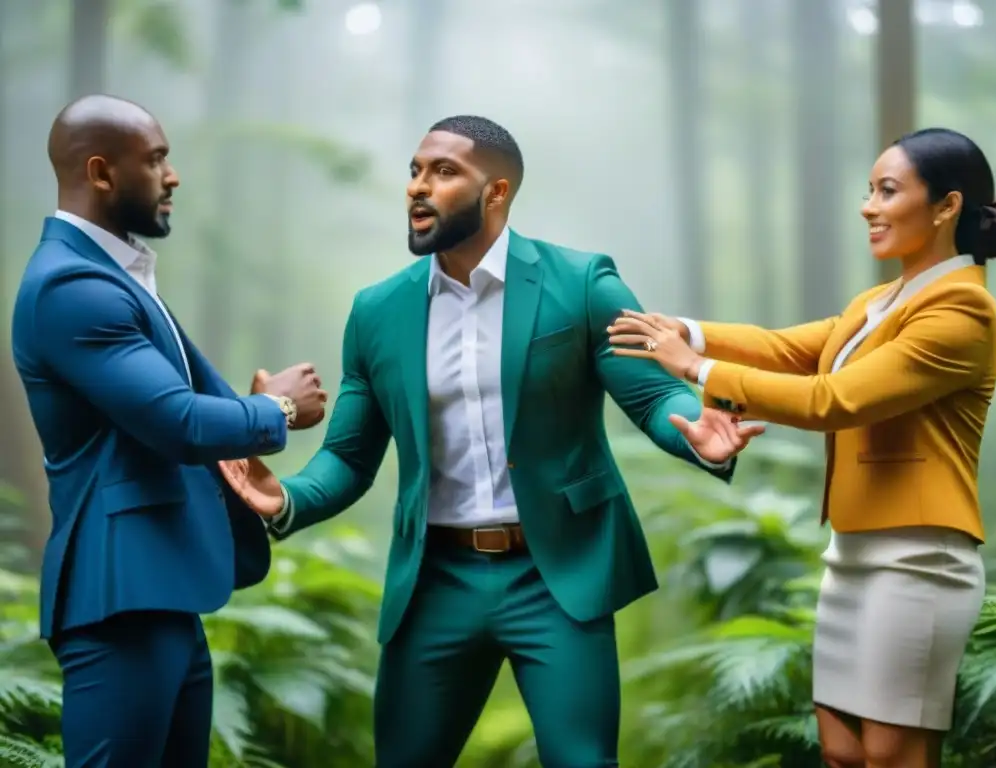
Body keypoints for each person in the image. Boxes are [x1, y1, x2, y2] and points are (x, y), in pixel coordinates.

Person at [218, 114, 764, 767]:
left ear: (496, 192)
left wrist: (695, 431)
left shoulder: (582, 282)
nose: (419, 187)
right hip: (436, 581)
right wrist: (286, 500)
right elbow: (348, 455)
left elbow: (650, 394)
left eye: (444, 172)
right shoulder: (377, 312)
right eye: (416, 171)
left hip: (555, 574)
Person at [609, 127, 996, 768]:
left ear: (947, 206)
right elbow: (786, 349)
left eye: (888, 191)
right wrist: (679, 329)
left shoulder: (962, 311)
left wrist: (695, 369)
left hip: (918, 559)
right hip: (852, 553)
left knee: (893, 753)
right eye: (868, 191)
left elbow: (834, 400)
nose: (868, 206)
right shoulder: (879, 302)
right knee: (842, 752)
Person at [11, 94, 328, 768]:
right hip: (120, 595)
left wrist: (247, 416)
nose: (172, 175)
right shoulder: (72, 286)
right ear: (101, 173)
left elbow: (173, 409)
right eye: (156, 160)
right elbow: (177, 423)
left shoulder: (109, 276)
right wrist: (278, 412)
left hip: (163, 591)